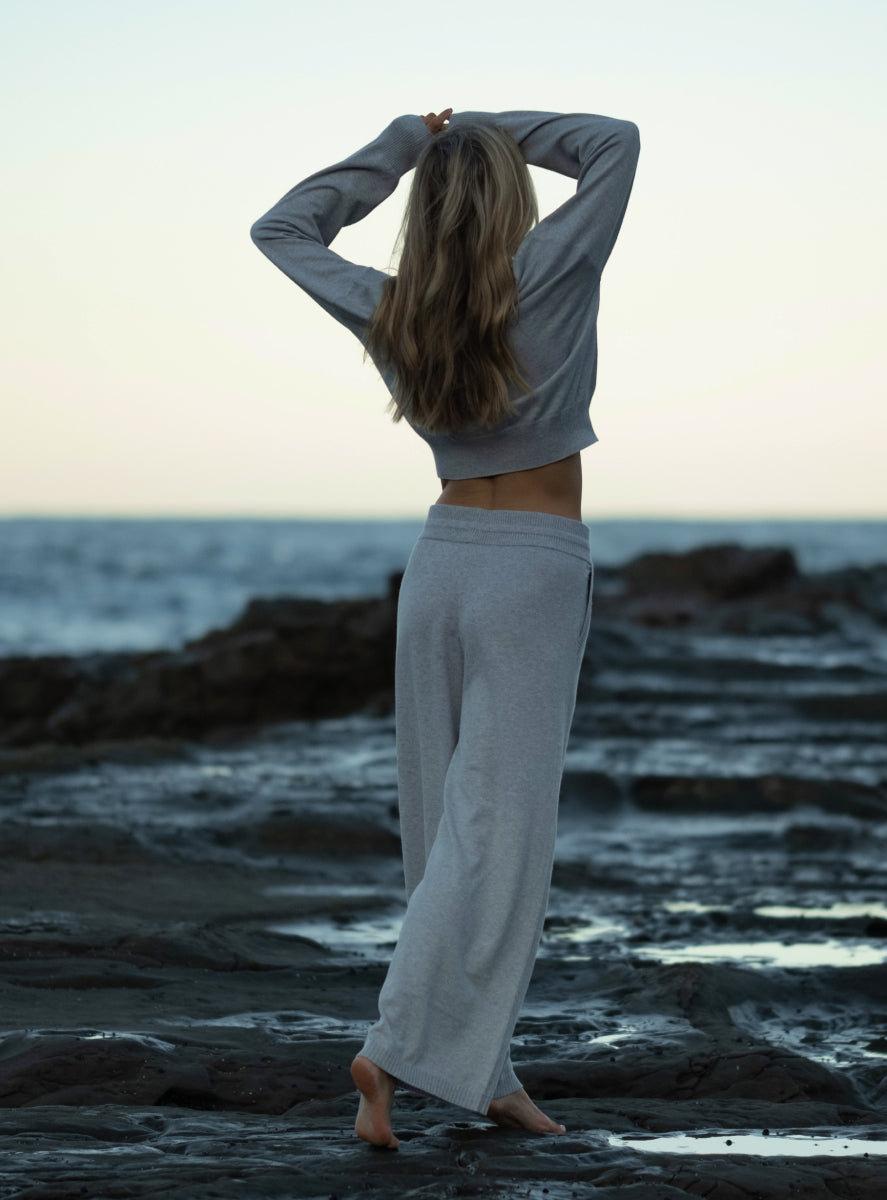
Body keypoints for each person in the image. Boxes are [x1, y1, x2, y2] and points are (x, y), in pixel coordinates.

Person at [250, 104, 639, 1148]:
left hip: (441, 564)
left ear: (424, 210)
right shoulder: (554, 268)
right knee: (497, 837)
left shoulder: (392, 309)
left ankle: (482, 1070)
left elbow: (280, 229)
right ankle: (392, 1047)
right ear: (513, 199)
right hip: (532, 575)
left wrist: (399, 145)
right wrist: (481, 125)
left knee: (443, 835)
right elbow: (616, 139)